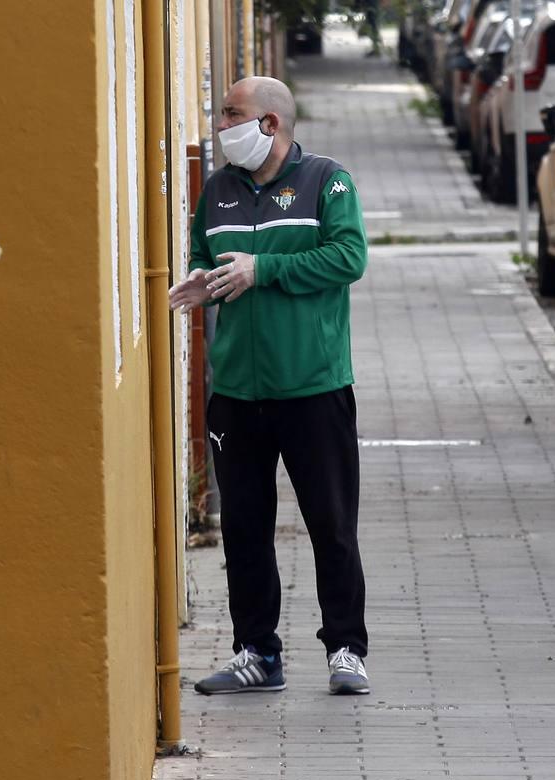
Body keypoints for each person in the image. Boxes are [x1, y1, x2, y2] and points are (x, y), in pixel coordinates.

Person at [169, 76, 371, 696]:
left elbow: (348, 257)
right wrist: (205, 281)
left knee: (330, 523)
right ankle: (257, 652)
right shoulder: (220, 192)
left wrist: (266, 270)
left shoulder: (326, 182)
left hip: (312, 388)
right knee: (245, 529)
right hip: (236, 392)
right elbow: (209, 252)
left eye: (232, 113)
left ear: (270, 125)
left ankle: (345, 649)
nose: (221, 122)